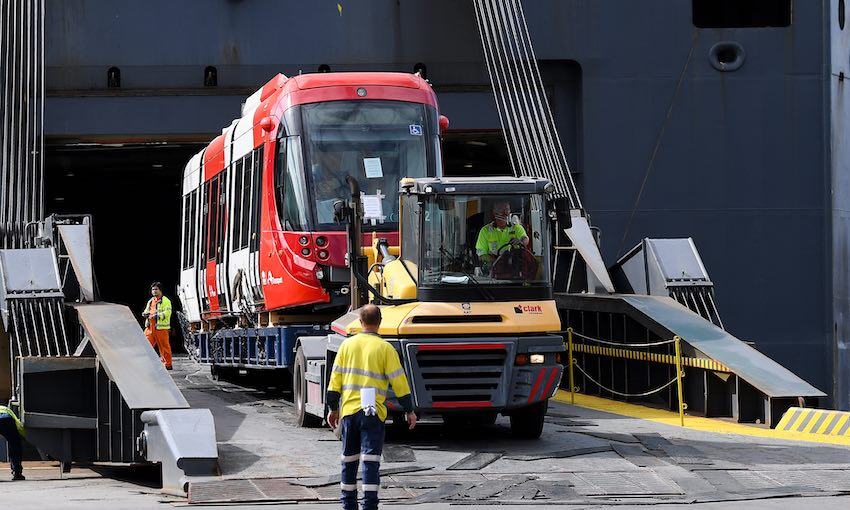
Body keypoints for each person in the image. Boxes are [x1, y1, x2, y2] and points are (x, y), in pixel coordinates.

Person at [326, 304, 416, 510]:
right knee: (371, 461)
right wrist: (409, 410)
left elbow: (335, 379)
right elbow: (400, 382)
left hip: (349, 412)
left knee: (348, 460)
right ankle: (369, 505)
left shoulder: (346, 346)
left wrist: (333, 408)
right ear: (380, 323)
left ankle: (348, 505)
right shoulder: (385, 348)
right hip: (373, 413)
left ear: (360, 322)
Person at [475, 201, 529, 267]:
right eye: (501, 210)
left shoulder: (516, 228)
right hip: (493, 269)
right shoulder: (485, 231)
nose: (505, 213)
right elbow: (481, 254)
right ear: (494, 213)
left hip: (515, 267)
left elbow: (525, 238)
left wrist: (521, 241)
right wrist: (497, 261)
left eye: (507, 210)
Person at [142, 282, 173, 370]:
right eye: (153, 289)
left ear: (160, 290)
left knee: (164, 347)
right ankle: (147, 364)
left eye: (156, 289)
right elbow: (146, 310)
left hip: (161, 328)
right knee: (145, 345)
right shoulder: (151, 301)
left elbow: (167, 313)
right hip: (150, 327)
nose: (154, 291)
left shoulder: (166, 301)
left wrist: (157, 315)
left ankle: (168, 364)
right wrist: (145, 314)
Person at [0, 404, 25, 481]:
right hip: (8, 419)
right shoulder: (8, 410)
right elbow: (19, 426)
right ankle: (17, 473)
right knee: (14, 445)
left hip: (7, 418)